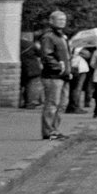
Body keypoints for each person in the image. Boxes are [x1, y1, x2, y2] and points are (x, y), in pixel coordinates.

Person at [31, 10, 72, 140]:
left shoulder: (62, 37)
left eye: (64, 19)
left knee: (62, 104)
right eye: (59, 19)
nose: (62, 22)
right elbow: (47, 56)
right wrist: (59, 68)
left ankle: (55, 129)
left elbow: (65, 56)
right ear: (51, 21)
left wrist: (68, 70)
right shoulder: (48, 37)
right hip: (52, 76)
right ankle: (49, 131)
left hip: (63, 75)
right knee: (52, 104)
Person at [66, 43, 90, 113]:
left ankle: (71, 106)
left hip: (72, 67)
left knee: (72, 88)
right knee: (77, 89)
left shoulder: (68, 44)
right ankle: (75, 106)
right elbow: (88, 55)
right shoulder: (78, 46)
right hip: (79, 68)